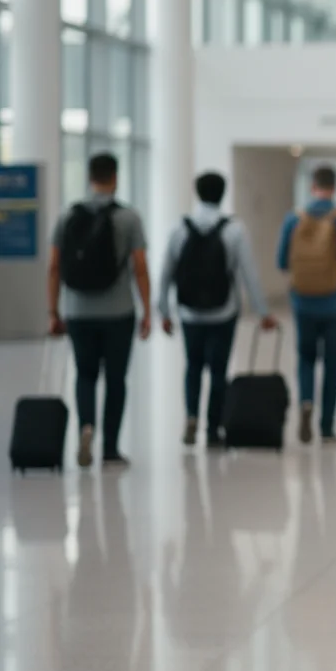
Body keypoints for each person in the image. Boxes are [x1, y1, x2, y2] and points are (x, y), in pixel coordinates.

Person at [157, 172, 278, 447]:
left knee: (193, 366)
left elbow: (166, 272)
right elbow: (249, 274)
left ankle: (191, 417)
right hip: (224, 311)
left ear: (197, 193)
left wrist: (163, 311)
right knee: (218, 371)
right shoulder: (234, 229)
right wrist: (263, 312)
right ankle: (213, 429)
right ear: (223, 194)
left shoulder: (179, 227)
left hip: (189, 313)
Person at [47, 153, 152, 468]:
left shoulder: (67, 216)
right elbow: (140, 267)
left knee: (85, 375)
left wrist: (53, 312)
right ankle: (110, 448)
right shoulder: (129, 218)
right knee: (116, 379)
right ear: (115, 177)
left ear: (89, 176)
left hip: (78, 311)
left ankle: (86, 428)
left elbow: (54, 267)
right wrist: (148, 310)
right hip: (119, 312)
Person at [277, 165, 336, 444]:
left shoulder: (293, 220)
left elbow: (282, 262)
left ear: (312, 186)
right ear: (335, 187)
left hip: (303, 302)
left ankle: (306, 402)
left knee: (305, 359)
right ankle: (327, 427)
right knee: (332, 363)